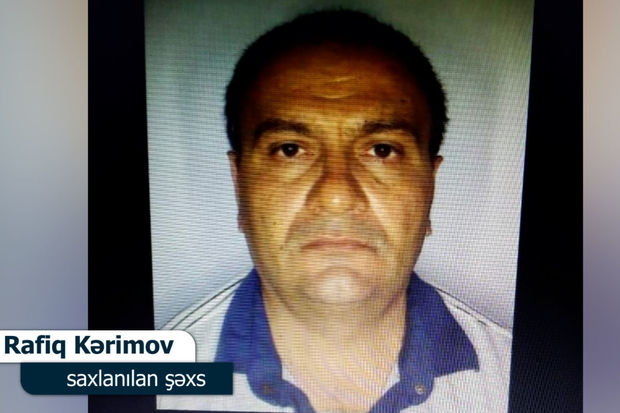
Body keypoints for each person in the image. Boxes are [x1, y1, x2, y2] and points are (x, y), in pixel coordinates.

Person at [158, 9, 511, 413]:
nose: (337, 196)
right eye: (289, 149)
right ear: (240, 187)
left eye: (382, 150)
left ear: (430, 186)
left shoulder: (524, 379)